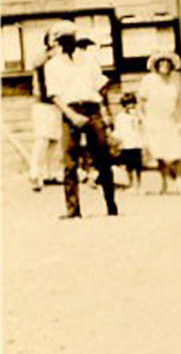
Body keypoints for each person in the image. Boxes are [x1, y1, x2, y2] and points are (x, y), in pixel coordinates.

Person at [42, 20, 117, 219]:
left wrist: (104, 110)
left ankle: (111, 205)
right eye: (62, 39)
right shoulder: (52, 66)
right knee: (70, 162)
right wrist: (72, 116)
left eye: (70, 38)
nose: (67, 43)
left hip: (92, 110)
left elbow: (101, 85)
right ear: (56, 42)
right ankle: (73, 210)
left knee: (103, 158)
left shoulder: (88, 60)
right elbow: (54, 96)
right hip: (70, 111)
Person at [139, 51, 181, 194]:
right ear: (156, 65)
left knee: (176, 150)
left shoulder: (175, 80)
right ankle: (165, 182)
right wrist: (142, 118)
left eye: (167, 63)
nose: (164, 65)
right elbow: (141, 101)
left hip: (170, 119)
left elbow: (179, 103)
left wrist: (180, 121)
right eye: (161, 63)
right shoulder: (148, 80)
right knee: (158, 152)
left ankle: (179, 180)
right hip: (153, 119)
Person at [28, 28, 63, 191]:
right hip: (42, 103)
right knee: (42, 139)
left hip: (56, 103)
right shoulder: (42, 56)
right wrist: (51, 54)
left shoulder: (61, 57)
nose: (55, 40)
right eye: (53, 37)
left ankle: (49, 173)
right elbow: (37, 64)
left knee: (54, 139)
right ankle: (35, 174)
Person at [112, 93, 145, 190]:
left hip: (137, 143)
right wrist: (118, 142)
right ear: (123, 105)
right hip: (126, 144)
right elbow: (118, 130)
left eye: (132, 104)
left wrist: (137, 117)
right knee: (129, 166)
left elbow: (141, 127)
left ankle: (139, 184)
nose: (130, 106)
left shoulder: (137, 116)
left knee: (138, 166)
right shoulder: (120, 117)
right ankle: (131, 183)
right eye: (127, 104)